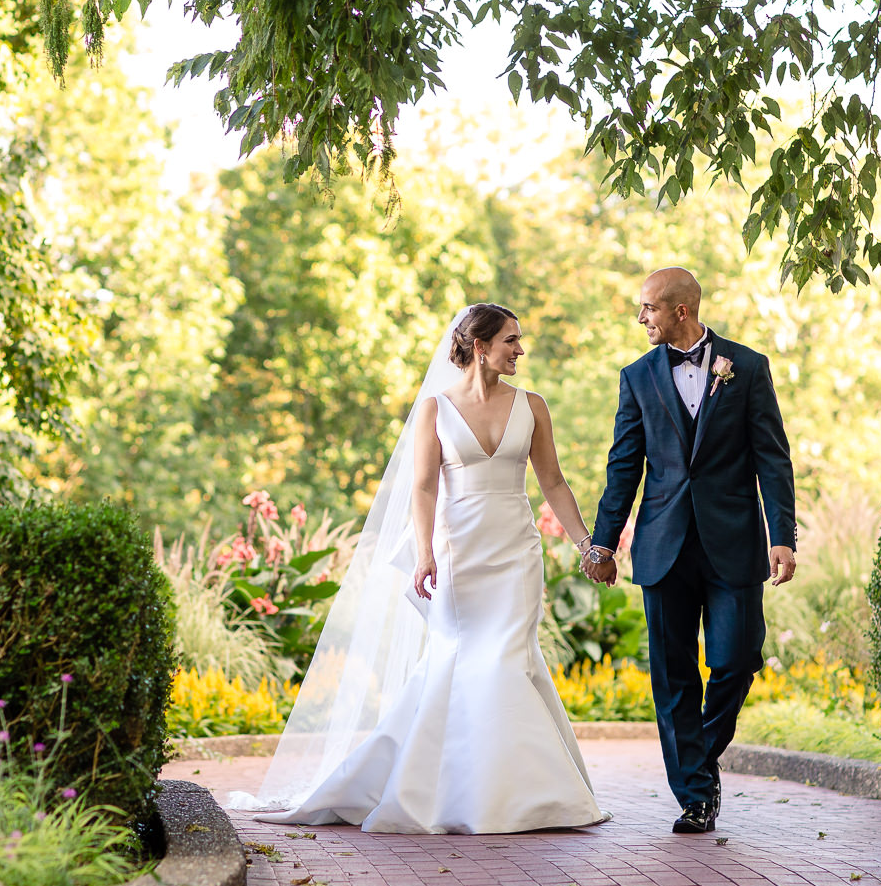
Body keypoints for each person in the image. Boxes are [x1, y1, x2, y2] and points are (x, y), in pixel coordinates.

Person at [227, 304, 608, 833]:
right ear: (480, 346)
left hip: (516, 552)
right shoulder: (436, 409)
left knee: (507, 660)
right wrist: (425, 552)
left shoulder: (533, 406)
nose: (520, 349)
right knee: (460, 660)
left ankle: (517, 795)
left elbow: (553, 482)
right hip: (459, 552)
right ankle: (455, 791)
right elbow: (424, 486)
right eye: (511, 340)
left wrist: (588, 543)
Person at [583, 267, 797, 834]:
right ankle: (696, 794)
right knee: (673, 672)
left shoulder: (746, 367)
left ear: (681, 310)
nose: (640, 318)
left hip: (735, 541)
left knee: (737, 658)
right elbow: (624, 465)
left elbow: (772, 456)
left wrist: (783, 536)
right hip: (662, 543)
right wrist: (604, 541)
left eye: (648, 307)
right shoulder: (636, 377)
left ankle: (697, 754)